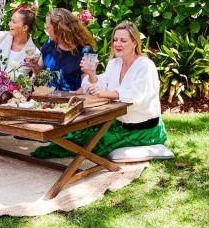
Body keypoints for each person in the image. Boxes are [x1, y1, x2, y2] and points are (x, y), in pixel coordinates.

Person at [32, 21, 167, 158]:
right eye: (115, 40)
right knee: (74, 133)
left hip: (142, 130)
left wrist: (104, 94)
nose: (117, 44)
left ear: (135, 43)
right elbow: (101, 83)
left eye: (123, 40)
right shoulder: (114, 64)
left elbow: (136, 97)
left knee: (88, 144)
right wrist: (91, 74)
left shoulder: (145, 66)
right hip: (116, 124)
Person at [26, 8, 96, 91]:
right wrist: (34, 66)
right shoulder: (48, 44)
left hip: (73, 99)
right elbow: (40, 76)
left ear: (59, 29)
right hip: (49, 97)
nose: (46, 30)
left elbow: (87, 83)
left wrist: (73, 97)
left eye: (48, 27)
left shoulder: (86, 50)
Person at [0, 5, 38, 76]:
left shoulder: (33, 53)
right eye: (10, 20)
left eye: (14, 22)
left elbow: (18, 78)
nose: (9, 24)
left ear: (24, 27)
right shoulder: (0, 36)